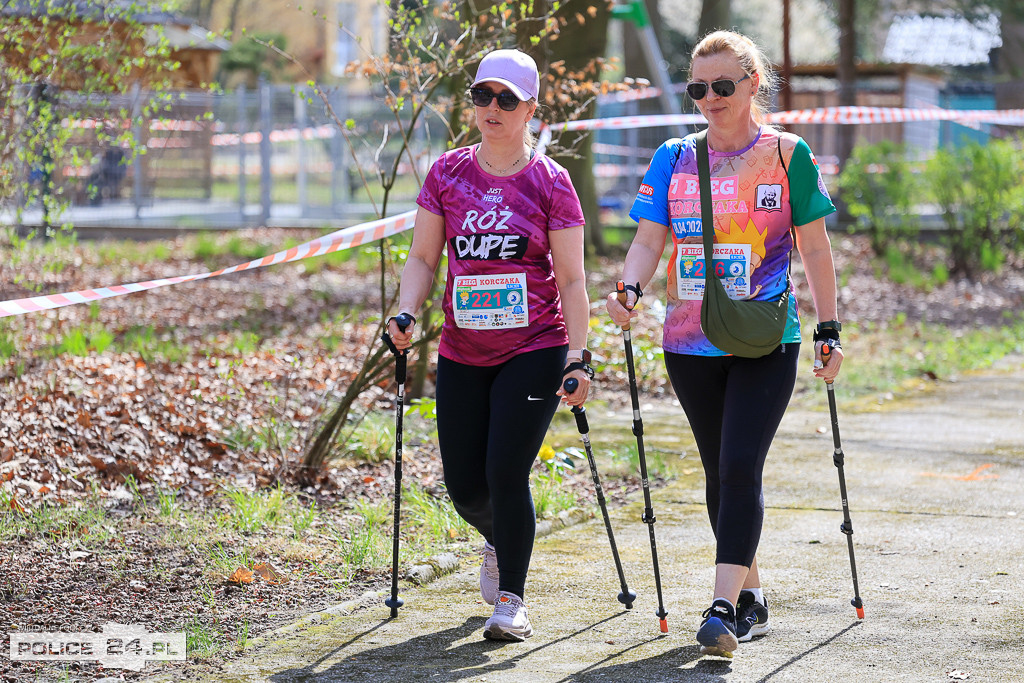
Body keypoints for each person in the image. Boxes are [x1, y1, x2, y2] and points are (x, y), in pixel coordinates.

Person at [606, 30, 845, 657]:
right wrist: (629, 289)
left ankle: (719, 609)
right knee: (720, 472)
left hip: (766, 337)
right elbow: (649, 240)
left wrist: (828, 327)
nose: (709, 98)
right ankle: (749, 596)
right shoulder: (673, 157)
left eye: (722, 85)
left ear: (752, 83)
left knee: (740, 465)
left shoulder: (787, 155)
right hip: (689, 340)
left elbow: (815, 247)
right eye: (698, 88)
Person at [386, 48, 593, 642]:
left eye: (506, 98)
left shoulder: (551, 182)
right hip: (462, 349)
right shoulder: (447, 174)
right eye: (482, 96)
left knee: (506, 471)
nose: (492, 108)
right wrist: (406, 310)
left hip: (535, 345)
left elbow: (572, 279)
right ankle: (502, 539)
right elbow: (423, 258)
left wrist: (578, 358)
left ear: (530, 108)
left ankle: (512, 601)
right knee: (464, 486)